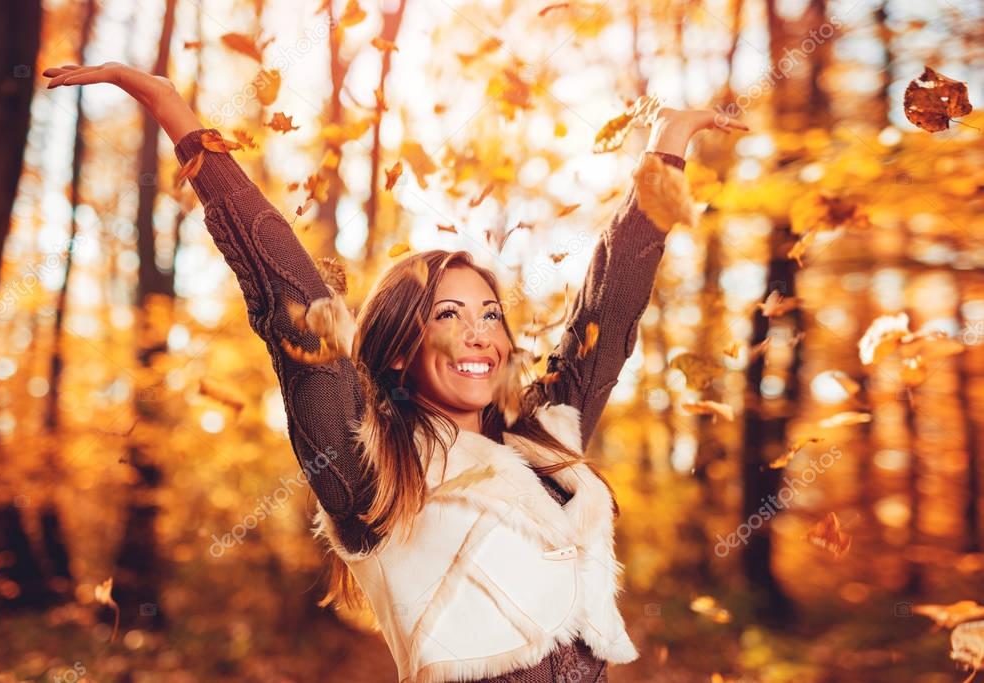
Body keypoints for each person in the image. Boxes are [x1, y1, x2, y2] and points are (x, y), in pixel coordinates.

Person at [43, 61, 746, 683]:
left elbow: (608, 309)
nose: (477, 332)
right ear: (399, 343)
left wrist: (667, 147)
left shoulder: (546, 436)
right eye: (446, 314)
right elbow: (293, 302)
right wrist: (177, 114)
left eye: (489, 313)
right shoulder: (368, 464)